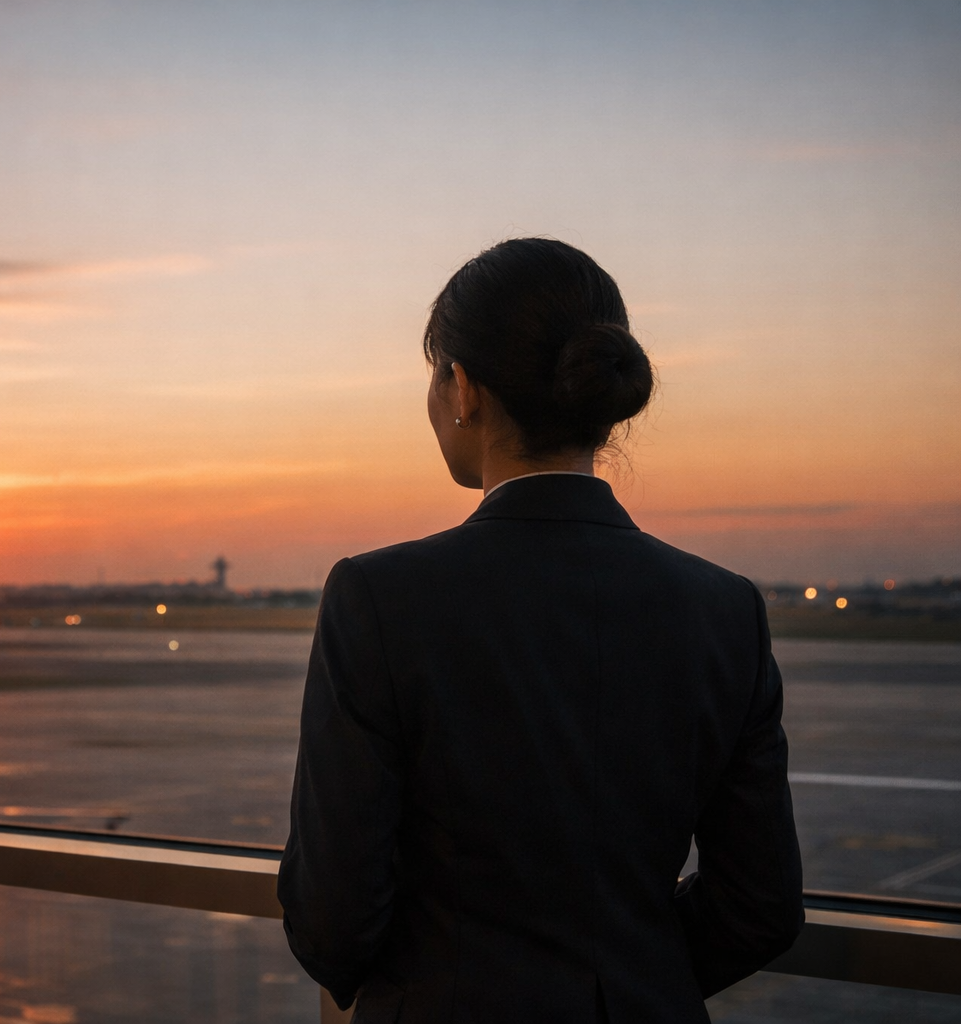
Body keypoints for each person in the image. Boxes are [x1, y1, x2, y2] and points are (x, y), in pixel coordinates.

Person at [278, 238, 803, 1023]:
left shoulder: (378, 598)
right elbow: (759, 905)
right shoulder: (725, 608)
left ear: (461, 389)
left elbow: (331, 916)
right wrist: (629, 978)